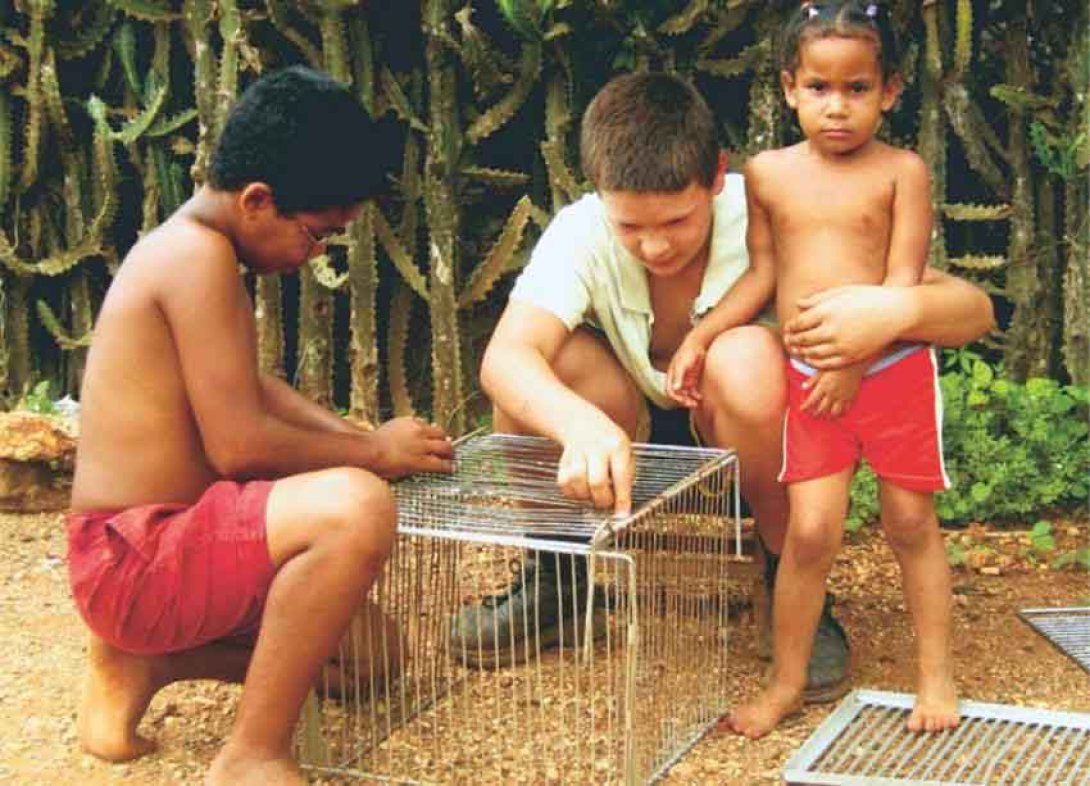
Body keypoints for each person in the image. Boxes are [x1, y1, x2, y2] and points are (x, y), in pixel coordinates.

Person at [457, 70, 993, 701]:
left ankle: (784, 578)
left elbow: (973, 310)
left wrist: (893, 311)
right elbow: (504, 359)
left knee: (745, 357)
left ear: (715, 177)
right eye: (630, 227)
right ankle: (557, 574)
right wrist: (580, 424)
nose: (655, 246)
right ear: (599, 193)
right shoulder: (581, 230)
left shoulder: (771, 202)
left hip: (748, 440)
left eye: (678, 220)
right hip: (622, 437)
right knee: (555, 366)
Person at [66, 66, 454, 786]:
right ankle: (252, 755)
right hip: (136, 557)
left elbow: (251, 388)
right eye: (318, 233)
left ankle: (150, 661)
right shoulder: (195, 258)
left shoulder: (195, 247)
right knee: (355, 507)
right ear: (257, 200)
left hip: (164, 552)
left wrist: (350, 433)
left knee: (370, 661)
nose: (317, 253)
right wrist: (370, 454)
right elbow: (239, 444)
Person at [716, 1, 963, 738]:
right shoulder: (766, 173)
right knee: (812, 532)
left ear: (889, 90)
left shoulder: (903, 173)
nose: (837, 107)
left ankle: (936, 675)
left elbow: (901, 285)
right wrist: (705, 336)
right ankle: (787, 680)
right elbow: (763, 273)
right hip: (808, 376)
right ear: (790, 87)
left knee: (910, 520)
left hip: (891, 373)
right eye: (819, 87)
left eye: (857, 89)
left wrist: (856, 360)